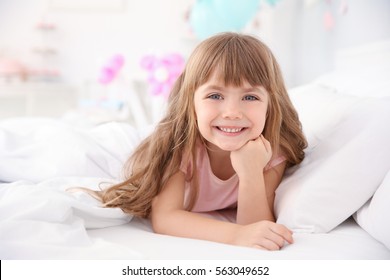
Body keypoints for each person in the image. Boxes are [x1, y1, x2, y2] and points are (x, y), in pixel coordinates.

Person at [87, 32, 307, 250]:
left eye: (250, 97)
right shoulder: (178, 146)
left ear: (270, 105)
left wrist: (251, 172)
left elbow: (255, 230)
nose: (232, 112)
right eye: (215, 96)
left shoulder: (271, 152)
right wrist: (236, 235)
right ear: (191, 102)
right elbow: (165, 218)